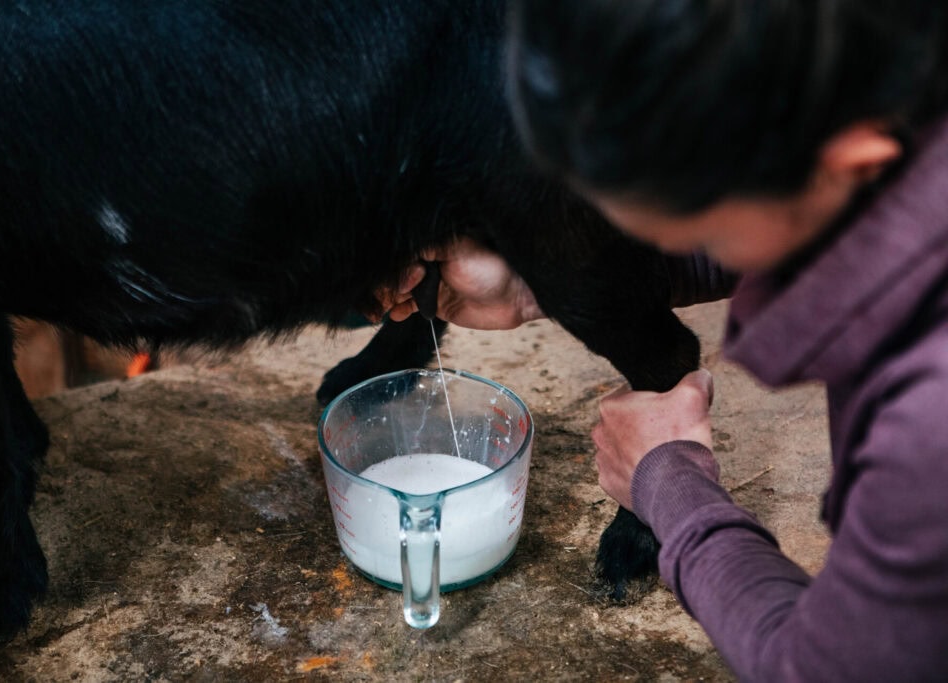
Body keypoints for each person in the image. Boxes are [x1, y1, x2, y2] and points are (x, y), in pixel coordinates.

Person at [382, 1, 948, 679]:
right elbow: (787, 219)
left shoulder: (928, 420)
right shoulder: (899, 92)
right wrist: (543, 285)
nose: (695, 246)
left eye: (701, 224)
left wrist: (670, 483)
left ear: (851, 157)